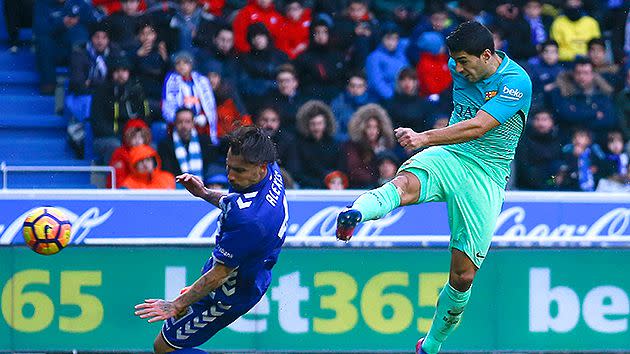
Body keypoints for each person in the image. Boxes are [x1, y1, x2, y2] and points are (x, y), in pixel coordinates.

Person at [334, 22, 532, 354]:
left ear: (487, 55)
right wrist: (430, 144)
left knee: (463, 277)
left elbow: (480, 126)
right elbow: (462, 128)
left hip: (487, 176)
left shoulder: (516, 82)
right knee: (405, 184)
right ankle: (356, 212)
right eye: (455, 60)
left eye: (465, 61)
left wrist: (424, 137)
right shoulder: (458, 65)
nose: (459, 68)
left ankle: (431, 344)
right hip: (451, 156)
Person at [134, 126, 288, 353]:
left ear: (260, 168)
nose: (230, 176)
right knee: (163, 345)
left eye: (239, 170)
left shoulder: (250, 221)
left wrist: (176, 305)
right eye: (228, 166)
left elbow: (219, 275)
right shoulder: (270, 169)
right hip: (246, 271)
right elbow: (237, 202)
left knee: (166, 349)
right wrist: (205, 193)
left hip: (230, 293)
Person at [91, 56, 150, 164]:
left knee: (148, 145)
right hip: (107, 137)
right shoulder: (101, 92)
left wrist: (135, 136)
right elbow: (98, 123)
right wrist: (122, 137)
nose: (121, 74)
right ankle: (116, 179)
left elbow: (144, 117)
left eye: (124, 70)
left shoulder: (137, 91)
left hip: (133, 136)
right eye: (117, 71)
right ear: (111, 73)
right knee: (115, 145)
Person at [162, 51, 219, 143]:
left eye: (185, 62)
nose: (181, 66)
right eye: (178, 63)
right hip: (181, 124)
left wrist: (204, 116)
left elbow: (208, 103)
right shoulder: (171, 82)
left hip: (200, 125)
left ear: (191, 65)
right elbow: (168, 105)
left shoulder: (201, 81)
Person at [158, 107, 219, 181]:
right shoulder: (165, 145)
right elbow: (167, 171)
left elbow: (210, 167)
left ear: (193, 123)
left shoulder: (205, 141)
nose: (183, 125)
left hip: (203, 185)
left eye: (187, 122)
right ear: (175, 123)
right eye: (180, 122)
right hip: (176, 188)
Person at [109, 118, 152, 188]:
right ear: (127, 138)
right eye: (134, 137)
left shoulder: (150, 152)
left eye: (141, 137)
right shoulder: (119, 153)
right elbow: (118, 181)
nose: (138, 141)